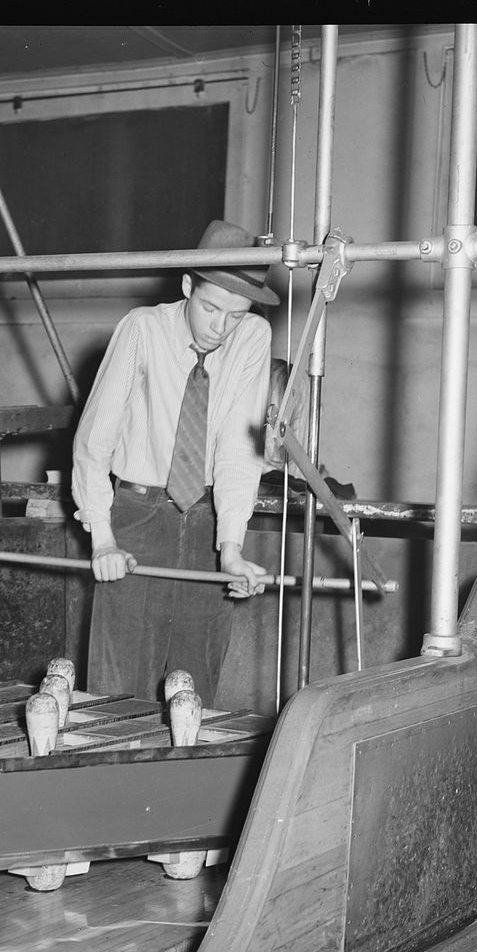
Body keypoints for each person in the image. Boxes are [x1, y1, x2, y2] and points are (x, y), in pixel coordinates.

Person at [71, 219, 279, 709]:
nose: (219, 327)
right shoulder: (143, 328)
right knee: (117, 690)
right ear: (187, 285)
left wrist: (230, 548)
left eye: (235, 314)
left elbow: (237, 446)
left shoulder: (251, 337)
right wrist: (103, 539)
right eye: (209, 308)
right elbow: (94, 440)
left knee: (195, 685)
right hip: (136, 517)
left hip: (205, 517)